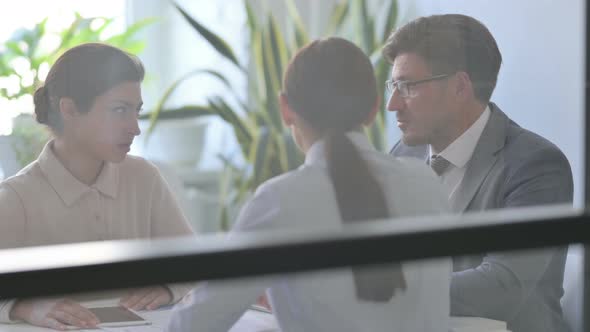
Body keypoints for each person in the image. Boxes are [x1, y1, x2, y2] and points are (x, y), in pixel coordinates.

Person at [167, 37, 451, 332]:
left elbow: (194, 323)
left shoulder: (280, 199)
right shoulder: (425, 181)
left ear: (285, 108)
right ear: (374, 108)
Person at [385, 14, 573, 332]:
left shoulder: (537, 166)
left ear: (460, 86)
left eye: (408, 87)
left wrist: (386, 294)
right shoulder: (403, 155)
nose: (393, 104)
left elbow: (502, 285)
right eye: (394, 86)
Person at [0, 43, 195, 330]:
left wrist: (169, 288)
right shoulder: (15, 198)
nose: (135, 127)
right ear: (69, 109)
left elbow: (192, 262)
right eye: (119, 110)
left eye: (136, 111)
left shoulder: (144, 178)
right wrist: (23, 305)